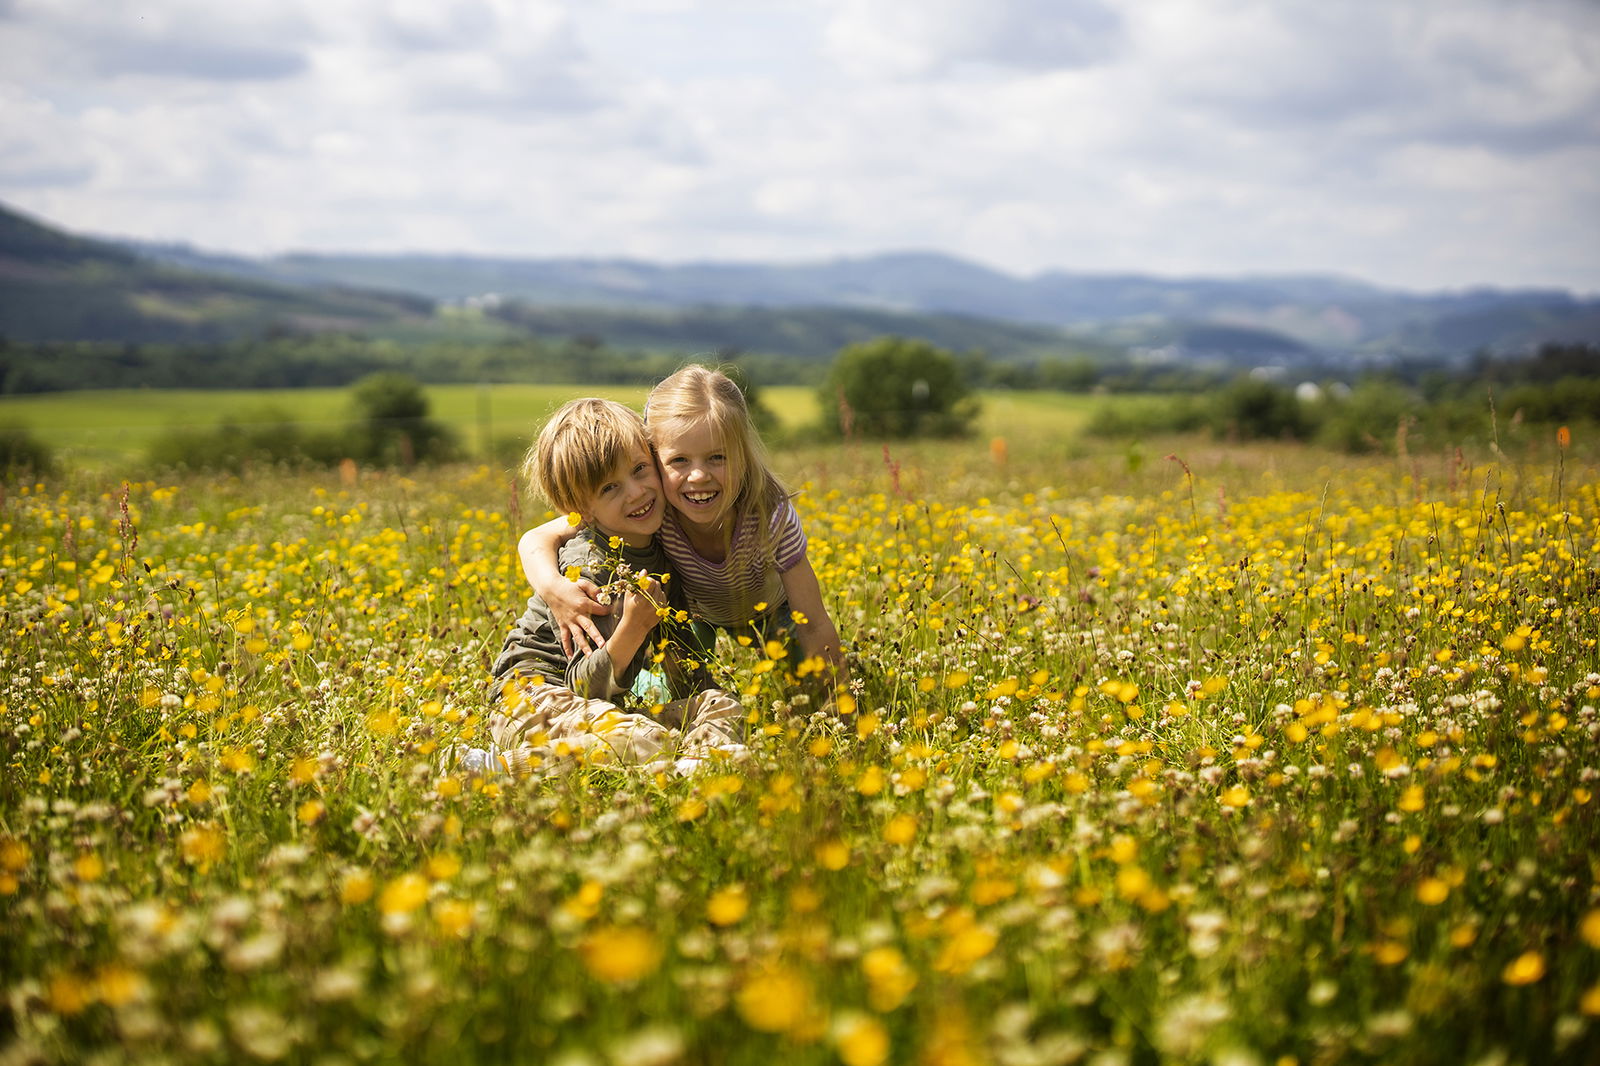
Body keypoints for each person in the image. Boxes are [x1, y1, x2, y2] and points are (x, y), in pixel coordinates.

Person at [519, 365, 849, 693]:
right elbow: (537, 537)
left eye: (717, 457)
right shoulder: (652, 507)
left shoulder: (769, 516)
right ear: (653, 458)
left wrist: (842, 705)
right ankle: (651, 687)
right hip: (697, 618)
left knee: (811, 681)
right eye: (679, 461)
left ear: (743, 456)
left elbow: (815, 623)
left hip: (771, 614)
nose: (698, 476)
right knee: (683, 684)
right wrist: (552, 587)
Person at [471, 397, 744, 778]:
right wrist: (634, 627)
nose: (635, 493)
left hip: (599, 711)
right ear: (578, 507)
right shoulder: (591, 567)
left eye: (640, 470)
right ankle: (491, 770)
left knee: (721, 705)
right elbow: (583, 685)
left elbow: (681, 657)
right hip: (531, 697)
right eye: (610, 488)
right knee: (643, 738)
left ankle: (699, 770)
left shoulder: (665, 545)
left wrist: (700, 702)